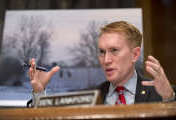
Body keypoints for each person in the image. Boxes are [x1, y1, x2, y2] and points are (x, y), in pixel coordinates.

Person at [28, 21, 175, 106]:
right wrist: (39, 92)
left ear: (135, 54)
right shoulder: (87, 97)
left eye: (114, 50)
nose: (106, 60)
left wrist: (169, 98)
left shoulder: (163, 93)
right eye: (102, 52)